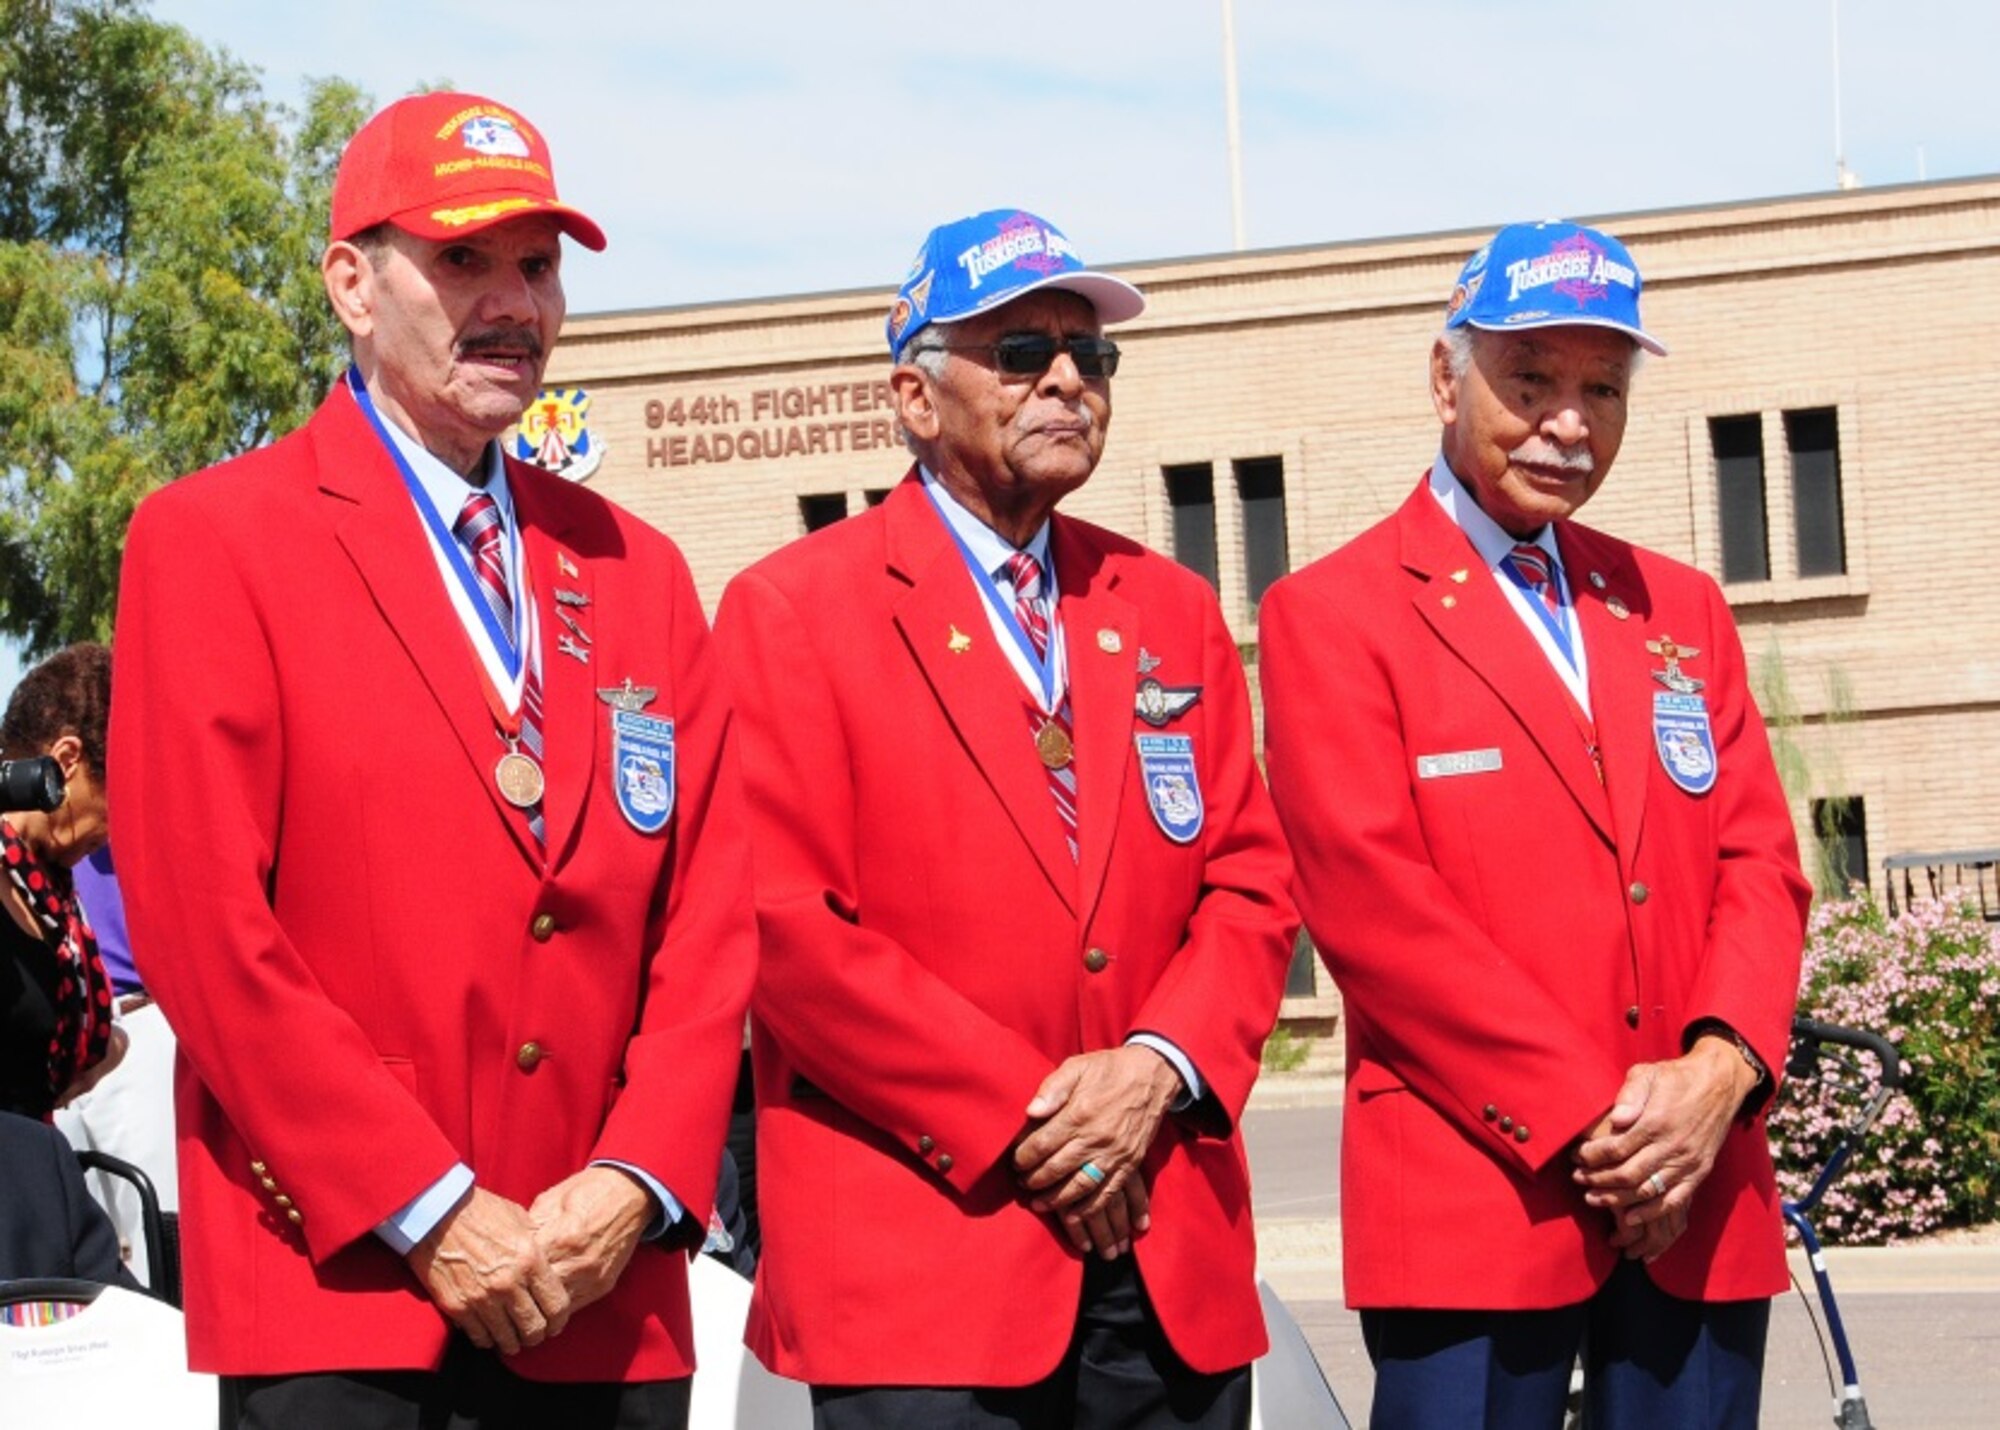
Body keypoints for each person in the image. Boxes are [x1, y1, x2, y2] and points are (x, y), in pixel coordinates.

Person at [108, 91, 756, 1428]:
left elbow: (712, 916)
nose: (513, 300)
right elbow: (205, 928)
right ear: (352, 281)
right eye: (463, 259)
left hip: (602, 1300)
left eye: (537, 263)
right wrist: (428, 1204)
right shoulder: (215, 542)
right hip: (344, 1294)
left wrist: (636, 1178)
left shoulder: (637, 569)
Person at [716, 209, 1297, 1429]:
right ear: (914, 399)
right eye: (1024, 351)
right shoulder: (793, 611)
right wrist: (1038, 1122)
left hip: (1162, 1251)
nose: (1069, 382)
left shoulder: (1169, 607)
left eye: (1093, 358)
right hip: (930, 1270)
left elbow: (1248, 884)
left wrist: (1155, 1068)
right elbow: (785, 928)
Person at [1258, 220, 1810, 1428]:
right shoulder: (1331, 614)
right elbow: (1372, 906)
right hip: (1477, 1198)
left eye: (1601, 388)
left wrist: (1717, 1076)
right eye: (1530, 382)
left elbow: (1759, 864)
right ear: (1444, 378)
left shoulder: (1680, 606)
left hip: (1699, 1189)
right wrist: (1603, 1126)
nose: (1569, 421)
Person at [1, 643, 122, 1122]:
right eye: (116, 792)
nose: (115, 831)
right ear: (67, 760)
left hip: (31, 1169)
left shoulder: (58, 900)